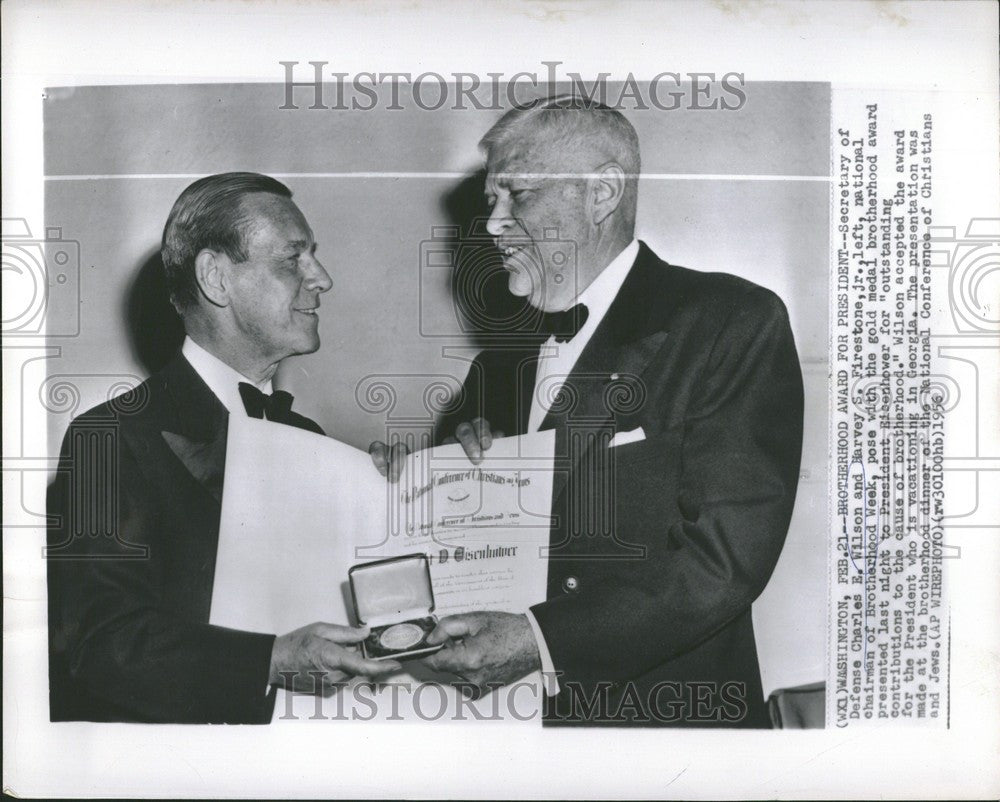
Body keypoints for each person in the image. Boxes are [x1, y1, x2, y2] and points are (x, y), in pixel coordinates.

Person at [373, 96, 804, 727]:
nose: (492, 223)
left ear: (601, 193)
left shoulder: (730, 322)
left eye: (515, 194)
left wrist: (543, 643)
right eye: (491, 200)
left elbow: (724, 564)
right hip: (509, 739)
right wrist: (399, 488)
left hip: (664, 733)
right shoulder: (496, 365)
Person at [47, 172, 400, 724]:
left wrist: (395, 504)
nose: (322, 278)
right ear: (215, 278)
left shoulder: (312, 440)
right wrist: (271, 660)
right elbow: (103, 646)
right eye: (293, 258)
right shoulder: (108, 438)